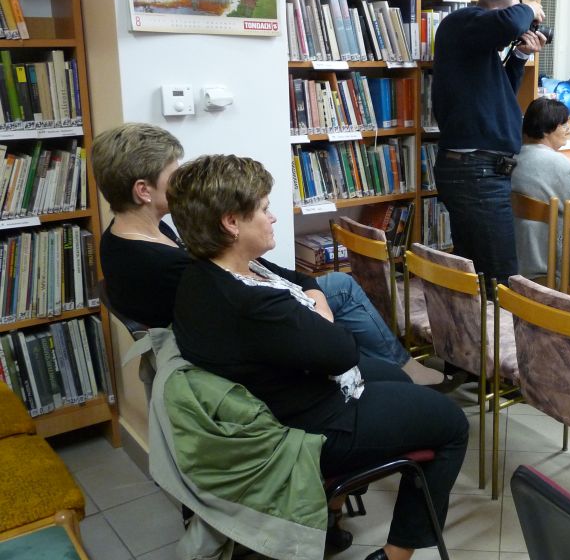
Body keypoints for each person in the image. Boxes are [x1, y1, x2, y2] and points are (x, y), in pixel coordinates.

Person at [168, 154, 468, 560]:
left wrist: (313, 301)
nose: (272, 217)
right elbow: (342, 349)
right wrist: (321, 312)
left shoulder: (212, 271)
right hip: (309, 428)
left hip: (293, 395)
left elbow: (300, 278)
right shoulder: (251, 305)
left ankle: (329, 519)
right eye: (264, 208)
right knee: (451, 425)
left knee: (397, 379)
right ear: (231, 222)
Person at [92, 123, 450, 389]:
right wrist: (317, 312)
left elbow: (259, 272)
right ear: (143, 190)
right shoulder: (158, 263)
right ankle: (398, 368)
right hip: (250, 343)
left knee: (334, 287)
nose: (180, 181)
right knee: (341, 288)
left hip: (246, 324)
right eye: (173, 173)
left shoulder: (126, 235)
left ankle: (392, 368)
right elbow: (245, 300)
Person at [431, 0, 546, 287]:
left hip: (478, 170)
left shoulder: (475, 48)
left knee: (478, 272)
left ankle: (476, 319)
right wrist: (530, 8)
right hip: (476, 171)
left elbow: (500, 94)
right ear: (496, 11)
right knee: (501, 276)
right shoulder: (461, 22)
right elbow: (509, 23)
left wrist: (519, 55)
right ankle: (495, 319)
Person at [510, 97, 570, 284]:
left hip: (520, 255)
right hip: (553, 262)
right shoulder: (559, 164)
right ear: (547, 128)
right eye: (563, 125)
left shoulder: (514, 158)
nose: (568, 130)